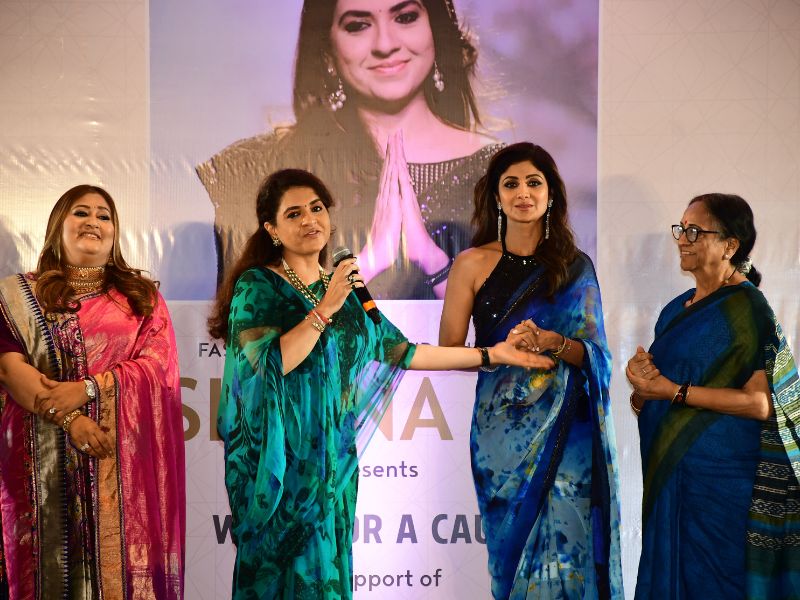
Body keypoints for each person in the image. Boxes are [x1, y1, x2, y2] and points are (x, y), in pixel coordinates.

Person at [207, 168, 554, 599]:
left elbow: (406, 352)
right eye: (294, 214)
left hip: (332, 466)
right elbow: (267, 367)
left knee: (326, 580)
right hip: (280, 469)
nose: (310, 219)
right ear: (272, 229)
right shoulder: (259, 285)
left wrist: (491, 354)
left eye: (317, 208)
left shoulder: (348, 293)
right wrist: (325, 308)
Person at [197, 0, 500, 299]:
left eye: (405, 17)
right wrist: (371, 260)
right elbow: (252, 317)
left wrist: (434, 262)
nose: (385, 44)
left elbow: (505, 317)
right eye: (358, 25)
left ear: (435, 27)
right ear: (327, 48)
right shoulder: (252, 167)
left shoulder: (499, 172)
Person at [439, 143, 622, 599]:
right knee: (509, 562)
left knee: (568, 550)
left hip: (568, 435)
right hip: (501, 436)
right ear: (496, 198)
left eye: (534, 183)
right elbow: (449, 350)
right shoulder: (471, 263)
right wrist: (498, 352)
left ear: (551, 194)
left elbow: (597, 356)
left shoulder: (575, 268)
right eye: (511, 184)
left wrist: (552, 342)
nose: (523, 193)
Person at [0, 185, 185, 599]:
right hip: (38, 466)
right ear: (58, 227)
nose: (94, 222)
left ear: (115, 233)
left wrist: (89, 389)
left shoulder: (141, 299)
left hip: (120, 468)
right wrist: (70, 418)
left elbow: (157, 369)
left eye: (104, 216)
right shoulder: (17, 296)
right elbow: (10, 369)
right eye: (81, 212)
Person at [627, 193, 800, 598]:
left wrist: (674, 391)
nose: (682, 240)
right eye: (681, 230)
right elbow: (653, 399)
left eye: (694, 231)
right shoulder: (675, 311)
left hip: (722, 481)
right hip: (671, 476)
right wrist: (642, 387)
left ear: (730, 245)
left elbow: (759, 403)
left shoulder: (749, 309)